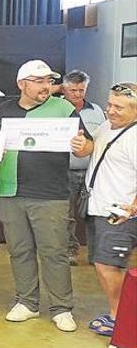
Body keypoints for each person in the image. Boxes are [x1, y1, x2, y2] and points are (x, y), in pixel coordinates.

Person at [0, 60, 88, 332]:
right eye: (38, 81)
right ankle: (27, 302)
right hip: (10, 191)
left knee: (54, 252)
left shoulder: (64, 109)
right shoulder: (4, 110)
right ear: (21, 84)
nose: (45, 86)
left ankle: (61, 308)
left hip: (50, 194)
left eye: (48, 80)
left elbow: (86, 146)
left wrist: (83, 146)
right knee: (20, 251)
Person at [71, 82, 137, 336]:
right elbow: (94, 148)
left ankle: (121, 318)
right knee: (102, 263)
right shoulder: (107, 126)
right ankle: (116, 313)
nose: (111, 111)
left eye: (119, 107)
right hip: (98, 208)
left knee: (109, 265)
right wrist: (82, 146)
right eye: (109, 104)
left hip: (119, 215)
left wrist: (133, 207)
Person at [61, 70, 106, 266]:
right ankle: (70, 250)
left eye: (81, 90)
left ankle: (95, 253)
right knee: (67, 213)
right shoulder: (57, 109)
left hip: (91, 171)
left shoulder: (97, 110)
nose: (77, 94)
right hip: (65, 169)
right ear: (64, 88)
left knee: (93, 212)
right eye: (73, 90)